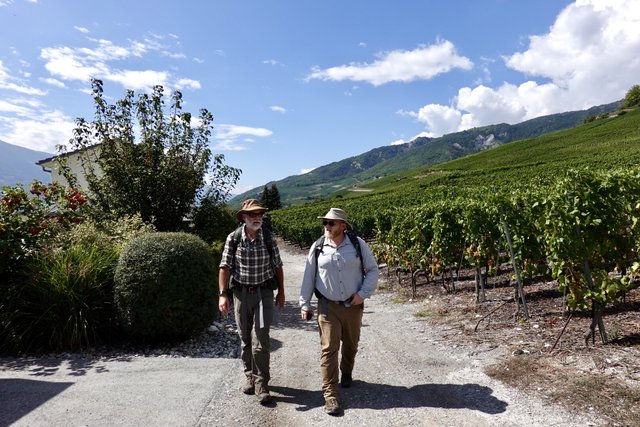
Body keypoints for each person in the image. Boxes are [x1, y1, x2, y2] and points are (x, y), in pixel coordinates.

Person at [299, 207, 379, 415]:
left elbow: (372, 269)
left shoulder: (357, 244)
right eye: (325, 222)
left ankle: (346, 372)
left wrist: (363, 293)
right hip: (327, 306)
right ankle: (330, 395)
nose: (327, 226)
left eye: (331, 223)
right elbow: (309, 275)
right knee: (328, 349)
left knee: (351, 344)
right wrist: (305, 303)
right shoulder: (317, 247)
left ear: (343, 226)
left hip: (353, 305)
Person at [219, 199, 285, 405]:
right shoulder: (234, 238)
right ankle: (249, 375)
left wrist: (281, 292)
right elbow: (225, 267)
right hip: (241, 295)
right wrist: (223, 294)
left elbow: (278, 266)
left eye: (260, 214)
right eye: (253, 214)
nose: (257, 217)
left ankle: (262, 383)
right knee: (245, 337)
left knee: (261, 338)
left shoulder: (268, 238)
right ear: (244, 217)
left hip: (263, 295)